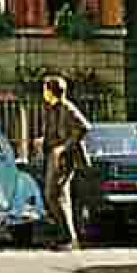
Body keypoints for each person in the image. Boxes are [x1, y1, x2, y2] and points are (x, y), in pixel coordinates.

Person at [42, 74, 91, 250]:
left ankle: (67, 238)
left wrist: (64, 147)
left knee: (54, 195)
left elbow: (84, 127)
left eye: (46, 88)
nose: (44, 92)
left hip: (63, 159)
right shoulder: (52, 108)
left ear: (52, 91)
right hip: (53, 157)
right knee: (55, 196)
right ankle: (66, 237)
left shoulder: (67, 108)